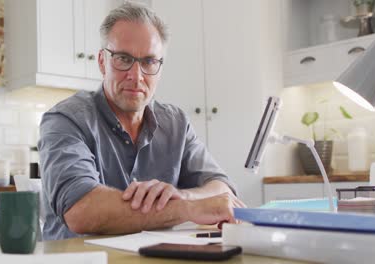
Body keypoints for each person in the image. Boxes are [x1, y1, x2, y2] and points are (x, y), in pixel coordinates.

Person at [38, 2, 246, 241]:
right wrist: (187, 208)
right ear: (102, 62)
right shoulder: (65, 120)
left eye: (148, 61)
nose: (136, 76)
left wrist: (182, 196)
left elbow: (222, 190)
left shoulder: (176, 123)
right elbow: (81, 210)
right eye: (123, 58)